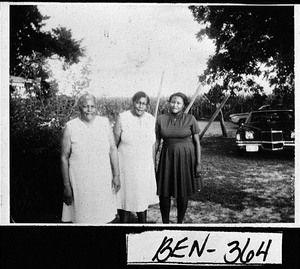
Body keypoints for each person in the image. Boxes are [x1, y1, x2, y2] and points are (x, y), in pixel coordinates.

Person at [60, 93, 120, 224]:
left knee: (104, 216)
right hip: (80, 181)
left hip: (102, 179)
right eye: (85, 106)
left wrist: (116, 175)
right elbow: (64, 157)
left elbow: (113, 149)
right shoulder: (71, 126)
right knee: (82, 217)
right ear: (79, 108)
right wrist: (66, 186)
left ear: (96, 108)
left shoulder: (104, 123)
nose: (89, 110)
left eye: (92, 106)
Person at [155, 92, 201, 224]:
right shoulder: (161, 119)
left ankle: (179, 222)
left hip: (186, 159)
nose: (175, 105)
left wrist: (198, 163)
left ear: (183, 105)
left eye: (178, 103)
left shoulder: (190, 119)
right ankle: (165, 223)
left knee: (182, 191)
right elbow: (157, 142)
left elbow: (197, 143)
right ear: (169, 102)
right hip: (167, 157)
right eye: (173, 102)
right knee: (164, 191)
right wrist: (153, 161)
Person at [113, 91, 159, 223]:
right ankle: (124, 228)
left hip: (144, 166)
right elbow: (114, 145)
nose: (140, 106)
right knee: (125, 198)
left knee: (141, 197)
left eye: (144, 104)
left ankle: (142, 227)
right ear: (133, 102)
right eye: (138, 103)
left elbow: (152, 144)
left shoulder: (150, 119)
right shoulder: (122, 117)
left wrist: (153, 165)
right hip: (125, 166)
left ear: (147, 106)